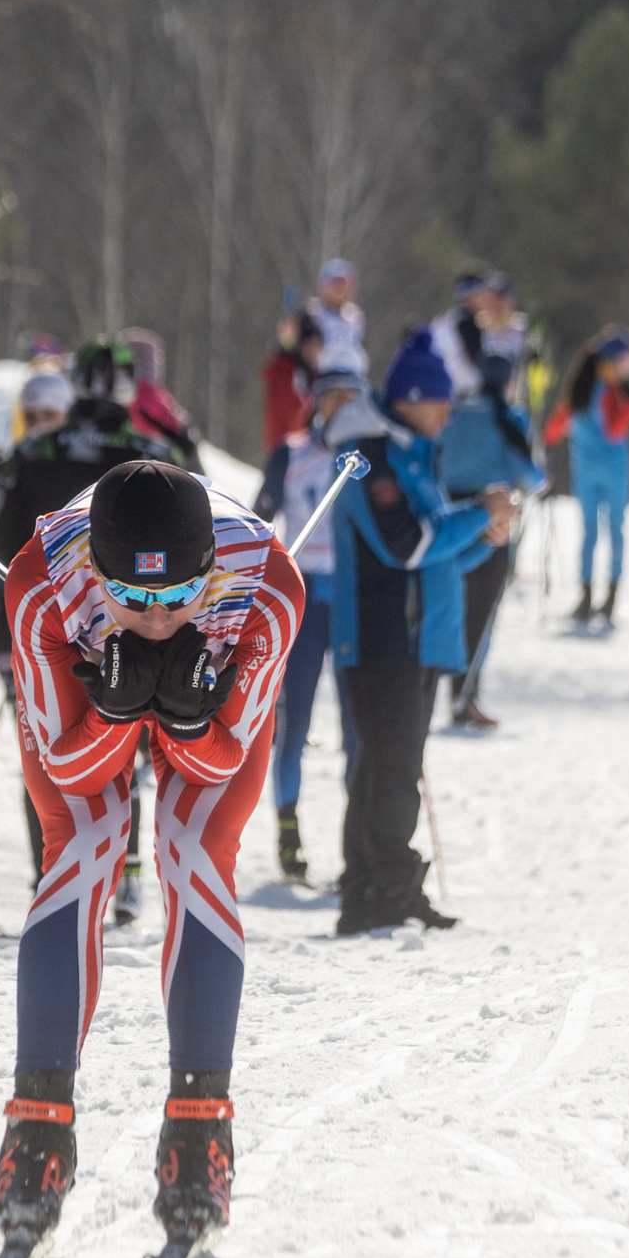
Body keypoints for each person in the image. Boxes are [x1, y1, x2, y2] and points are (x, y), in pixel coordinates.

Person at [0, 459, 303, 1258]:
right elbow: (68, 769)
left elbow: (222, 763)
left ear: (208, 573)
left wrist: (191, 723)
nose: (154, 618)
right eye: (131, 598)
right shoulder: (42, 582)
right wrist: (118, 708)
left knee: (192, 847)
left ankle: (201, 1133)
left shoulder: (268, 586)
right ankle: (36, 1136)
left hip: (214, 706)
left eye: (173, 597)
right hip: (91, 713)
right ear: (95, 571)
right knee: (86, 847)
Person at [0, 339, 187, 915]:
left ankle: (58, 874)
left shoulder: (31, 451)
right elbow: (201, 526)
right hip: (131, 619)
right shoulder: (152, 450)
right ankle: (124, 871)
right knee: (129, 736)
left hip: (38, 620)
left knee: (46, 744)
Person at [327, 330, 514, 934]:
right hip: (386, 639)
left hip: (413, 638)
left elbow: (434, 558)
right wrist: (477, 516)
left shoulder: (409, 453)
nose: (448, 411)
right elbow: (406, 545)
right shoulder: (368, 456)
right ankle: (383, 886)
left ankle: (374, 886)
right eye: (440, 400)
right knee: (391, 767)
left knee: (387, 765)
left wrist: (478, 539)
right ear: (410, 397)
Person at [252, 364, 364, 884]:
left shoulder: (369, 457)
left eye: (352, 397)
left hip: (349, 602)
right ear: (317, 401)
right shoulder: (292, 451)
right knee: (293, 722)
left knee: (355, 727)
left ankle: (356, 843)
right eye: (333, 397)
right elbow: (260, 521)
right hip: (303, 601)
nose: (342, 406)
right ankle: (289, 831)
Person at [431, 272, 544, 728]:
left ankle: (434, 682)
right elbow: (534, 476)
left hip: (447, 510)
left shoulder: (453, 409)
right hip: (491, 512)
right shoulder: (509, 416)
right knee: (482, 610)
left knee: (447, 600)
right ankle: (464, 695)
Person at [543, 327, 629, 626]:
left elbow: (553, 431)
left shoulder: (579, 389)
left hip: (584, 471)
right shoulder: (612, 391)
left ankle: (585, 598)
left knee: (589, 534)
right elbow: (614, 432)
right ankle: (609, 598)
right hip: (614, 472)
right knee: (615, 532)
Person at [256, 310, 319, 448]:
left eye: (318, 346)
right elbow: (294, 419)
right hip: (286, 452)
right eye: (310, 346)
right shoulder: (286, 372)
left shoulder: (310, 375)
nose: (315, 352)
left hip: (296, 452)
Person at [307, 257, 367, 384]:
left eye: (343, 285)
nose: (339, 290)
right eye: (334, 284)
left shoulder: (355, 317)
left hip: (350, 379)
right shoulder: (313, 314)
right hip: (319, 379)